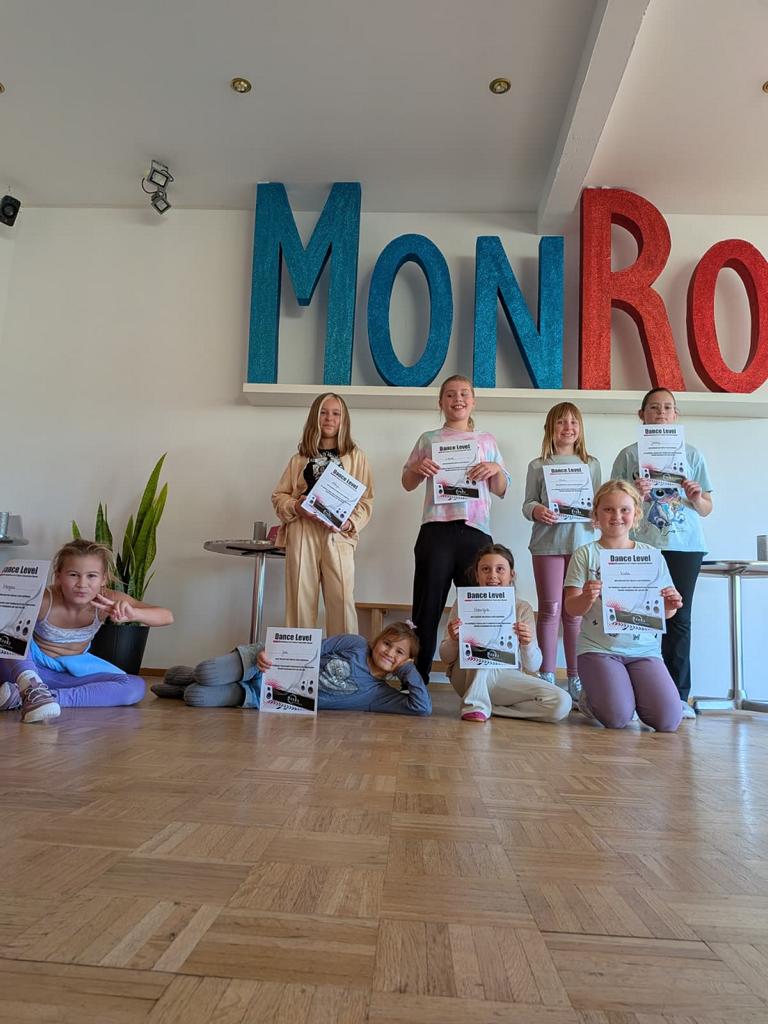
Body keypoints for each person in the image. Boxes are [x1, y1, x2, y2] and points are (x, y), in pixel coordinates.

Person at [611, 388, 713, 718]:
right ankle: (638, 696)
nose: (661, 413)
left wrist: (696, 497)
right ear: (642, 415)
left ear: (675, 415)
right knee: (637, 619)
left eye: (668, 407)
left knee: (679, 620)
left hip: (685, 546)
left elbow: (707, 508)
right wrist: (634, 494)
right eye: (654, 408)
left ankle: (679, 697)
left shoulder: (693, 455)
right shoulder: (628, 455)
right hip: (641, 545)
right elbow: (612, 504)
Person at [402, 374, 508, 684]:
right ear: (441, 402)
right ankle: (416, 680)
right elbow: (407, 483)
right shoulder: (428, 439)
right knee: (426, 610)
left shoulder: (486, 441)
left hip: (476, 533)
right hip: (436, 530)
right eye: (450, 394)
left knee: (479, 610)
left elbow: (501, 489)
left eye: (463, 393)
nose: (457, 399)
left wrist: (495, 469)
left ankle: (479, 682)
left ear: (473, 401)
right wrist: (416, 469)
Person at [0, 539, 173, 723]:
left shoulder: (107, 599)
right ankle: (29, 687)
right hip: (24, 669)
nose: (82, 584)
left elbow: (167, 616)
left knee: (135, 687)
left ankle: (40, 698)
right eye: (73, 575)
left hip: (66, 674)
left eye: (91, 576)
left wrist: (134, 614)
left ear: (104, 579)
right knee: (6, 630)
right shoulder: (44, 599)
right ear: (58, 576)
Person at [564, 480, 683, 731]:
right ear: (596, 514)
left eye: (624, 510)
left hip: (645, 650)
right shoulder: (585, 554)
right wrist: (586, 597)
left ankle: (625, 693)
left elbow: (666, 612)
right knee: (616, 718)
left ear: (636, 514)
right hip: (599, 648)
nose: (616, 516)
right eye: (608, 509)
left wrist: (671, 604)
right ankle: (590, 698)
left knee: (668, 721)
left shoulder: (651, 555)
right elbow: (571, 608)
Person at [151, 621, 430, 716]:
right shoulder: (354, 644)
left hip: (265, 696)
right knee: (206, 673)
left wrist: (407, 671)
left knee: (196, 697)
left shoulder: (378, 695)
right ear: (377, 640)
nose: (389, 653)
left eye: (399, 652)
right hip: (264, 662)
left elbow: (421, 708)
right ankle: (190, 675)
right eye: (387, 644)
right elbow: (308, 648)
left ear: (406, 660)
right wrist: (266, 655)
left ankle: (181, 688)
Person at [272, 392, 373, 636]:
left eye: (336, 413)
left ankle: (343, 657)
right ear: (314, 418)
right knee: (300, 600)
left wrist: (350, 523)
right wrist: (295, 506)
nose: (329, 418)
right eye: (323, 413)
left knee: (342, 601)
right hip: (302, 531)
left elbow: (366, 500)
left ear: (343, 420)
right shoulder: (299, 459)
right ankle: (300, 657)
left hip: (337, 534)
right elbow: (279, 496)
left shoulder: (356, 457)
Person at [439, 543, 572, 723]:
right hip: (466, 675)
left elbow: (533, 666)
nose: (492, 575)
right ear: (477, 575)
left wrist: (527, 644)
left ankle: (492, 708)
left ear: (511, 575)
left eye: (500, 569)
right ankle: (475, 706)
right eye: (485, 569)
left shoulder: (522, 608)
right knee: (482, 648)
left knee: (562, 703)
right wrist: (454, 640)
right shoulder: (464, 603)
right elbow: (446, 657)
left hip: (505, 676)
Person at [522, 402, 601, 699]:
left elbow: (599, 503)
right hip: (547, 545)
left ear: (580, 429)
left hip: (581, 547)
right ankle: (546, 676)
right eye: (561, 422)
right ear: (550, 429)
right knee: (550, 610)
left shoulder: (591, 464)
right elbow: (527, 503)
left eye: (573, 422)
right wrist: (537, 510)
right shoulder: (537, 465)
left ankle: (576, 678)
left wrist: (597, 515)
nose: (568, 428)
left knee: (575, 614)